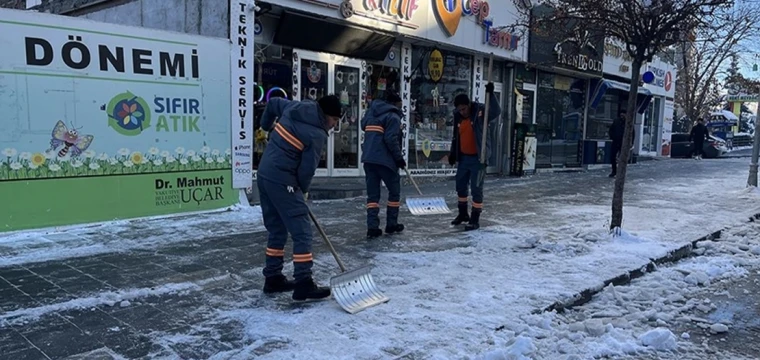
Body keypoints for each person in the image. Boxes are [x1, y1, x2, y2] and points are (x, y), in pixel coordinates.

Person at [257, 95, 342, 301]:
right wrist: (302, 190)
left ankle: (273, 278)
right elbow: (306, 170)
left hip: (264, 174)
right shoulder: (316, 134)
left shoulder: (295, 107)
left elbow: (273, 103)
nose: (334, 126)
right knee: (302, 231)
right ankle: (304, 283)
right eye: (334, 121)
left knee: (277, 228)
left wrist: (265, 126)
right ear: (326, 116)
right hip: (283, 180)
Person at [448, 82, 501, 231]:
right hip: (464, 158)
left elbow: (496, 111)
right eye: (459, 109)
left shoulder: (480, 112)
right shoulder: (458, 117)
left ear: (469, 104)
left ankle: (475, 218)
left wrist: (492, 95)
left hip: (478, 158)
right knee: (460, 186)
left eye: (464, 109)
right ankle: (463, 214)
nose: (462, 112)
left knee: (477, 188)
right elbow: (455, 137)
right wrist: (453, 153)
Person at [361, 76, 406, 239]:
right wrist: (399, 158)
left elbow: (362, 125)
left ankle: (372, 227)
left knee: (372, 196)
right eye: (400, 105)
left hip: (368, 159)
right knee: (394, 192)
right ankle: (391, 224)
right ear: (394, 104)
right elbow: (390, 139)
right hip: (385, 161)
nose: (401, 109)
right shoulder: (393, 117)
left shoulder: (371, 113)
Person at [608, 112, 634, 178]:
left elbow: (633, 133)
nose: (622, 116)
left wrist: (631, 142)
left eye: (623, 114)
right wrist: (612, 136)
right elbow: (611, 130)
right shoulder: (616, 121)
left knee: (622, 158)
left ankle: (620, 171)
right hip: (616, 141)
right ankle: (614, 171)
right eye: (621, 114)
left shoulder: (629, 123)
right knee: (612, 157)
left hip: (623, 142)